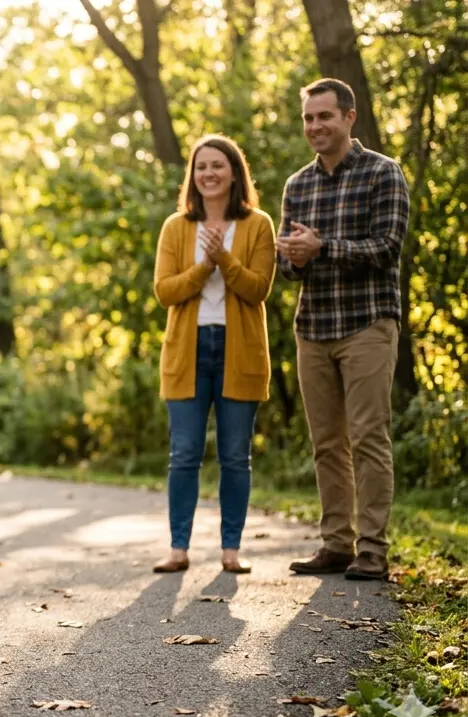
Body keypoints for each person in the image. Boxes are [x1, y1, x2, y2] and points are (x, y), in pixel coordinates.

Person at [278, 78, 410, 581]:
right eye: (309, 118)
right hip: (314, 327)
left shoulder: (383, 173)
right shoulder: (298, 185)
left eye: (324, 117)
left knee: (369, 436)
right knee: (326, 442)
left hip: (367, 324)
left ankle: (372, 549)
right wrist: (290, 258)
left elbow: (386, 248)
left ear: (349, 118)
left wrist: (322, 247)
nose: (315, 126)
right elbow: (293, 268)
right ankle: (336, 543)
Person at [152, 135, 276, 576]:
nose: (209, 173)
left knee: (234, 456)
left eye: (218, 166)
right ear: (193, 175)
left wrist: (222, 256)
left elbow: (258, 288)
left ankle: (231, 551)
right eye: (201, 166)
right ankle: (179, 549)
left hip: (238, 350)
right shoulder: (176, 226)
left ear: (234, 172)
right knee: (184, 454)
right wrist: (204, 265)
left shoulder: (258, 224)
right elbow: (165, 291)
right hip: (187, 350)